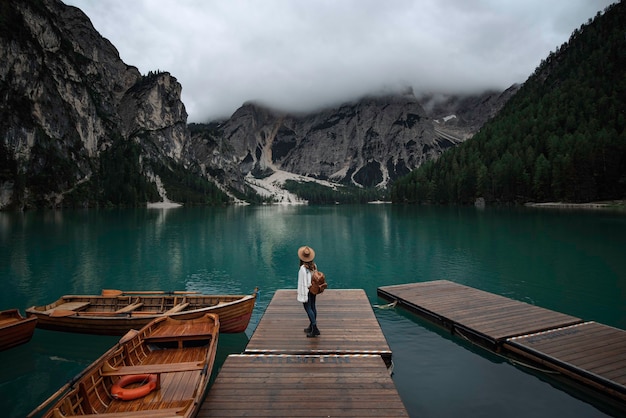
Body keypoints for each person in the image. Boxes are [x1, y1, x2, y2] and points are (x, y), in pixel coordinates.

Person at [297, 245, 320, 338]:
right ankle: (311, 326)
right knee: (313, 306)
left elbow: (304, 282)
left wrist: (302, 292)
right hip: (313, 289)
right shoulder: (314, 265)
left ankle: (314, 328)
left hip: (307, 290)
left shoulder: (303, 268)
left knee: (308, 308)